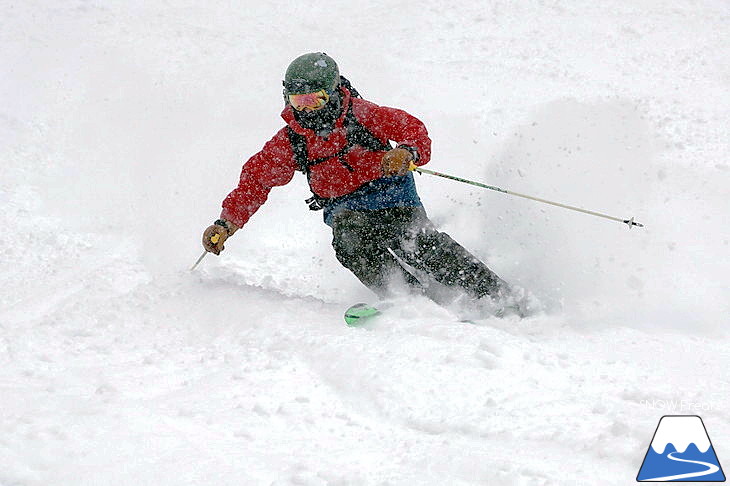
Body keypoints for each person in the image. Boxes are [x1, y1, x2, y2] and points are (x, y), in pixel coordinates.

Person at [202, 52, 516, 311]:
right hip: (345, 207)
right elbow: (255, 182)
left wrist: (407, 152)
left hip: (393, 195)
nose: (306, 109)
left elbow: (414, 130)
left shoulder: (364, 114)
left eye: (314, 100)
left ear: (333, 91)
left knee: (416, 242)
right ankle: (410, 302)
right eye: (298, 101)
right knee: (349, 241)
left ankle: (495, 294)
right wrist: (226, 224)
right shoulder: (292, 140)